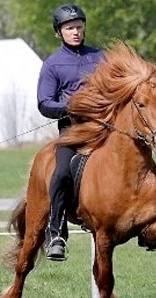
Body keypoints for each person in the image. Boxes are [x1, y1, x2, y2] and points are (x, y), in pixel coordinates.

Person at [36, 3, 104, 261]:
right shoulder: (52, 65)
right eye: (70, 28)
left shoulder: (101, 57)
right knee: (62, 171)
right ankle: (57, 234)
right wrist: (70, 107)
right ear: (59, 32)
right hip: (72, 130)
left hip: (104, 128)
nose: (76, 32)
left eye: (79, 27)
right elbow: (44, 103)